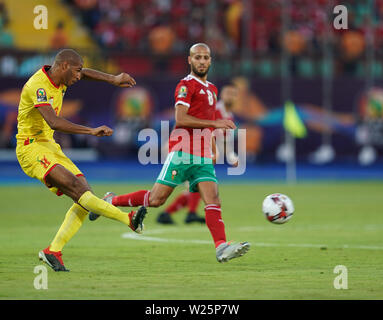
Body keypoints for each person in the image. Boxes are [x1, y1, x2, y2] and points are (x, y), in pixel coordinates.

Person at [89, 43, 250, 263]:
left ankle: (221, 247)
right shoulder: (185, 85)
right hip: (183, 151)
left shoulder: (211, 89)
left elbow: (210, 127)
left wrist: (212, 147)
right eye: (197, 57)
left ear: (210, 61)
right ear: (190, 60)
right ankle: (110, 200)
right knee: (156, 200)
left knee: (213, 198)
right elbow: (181, 119)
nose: (202, 61)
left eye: (205, 57)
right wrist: (216, 122)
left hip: (202, 155)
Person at [15, 49, 147, 272]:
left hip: (48, 146)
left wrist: (113, 79)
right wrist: (90, 131)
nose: (78, 76)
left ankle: (53, 251)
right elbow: (54, 122)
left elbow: (85, 72)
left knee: (84, 196)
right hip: (31, 148)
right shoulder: (38, 86)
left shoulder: (62, 77)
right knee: (79, 191)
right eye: (76, 71)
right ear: (64, 66)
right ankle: (129, 219)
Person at [156, 84, 240, 225]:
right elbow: (206, 131)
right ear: (222, 95)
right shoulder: (215, 110)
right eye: (228, 93)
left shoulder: (229, 116)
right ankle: (190, 213)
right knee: (198, 183)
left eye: (233, 94)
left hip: (197, 149)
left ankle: (168, 214)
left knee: (195, 185)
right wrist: (214, 152)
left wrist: (231, 156)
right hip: (183, 146)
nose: (230, 96)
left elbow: (225, 141)